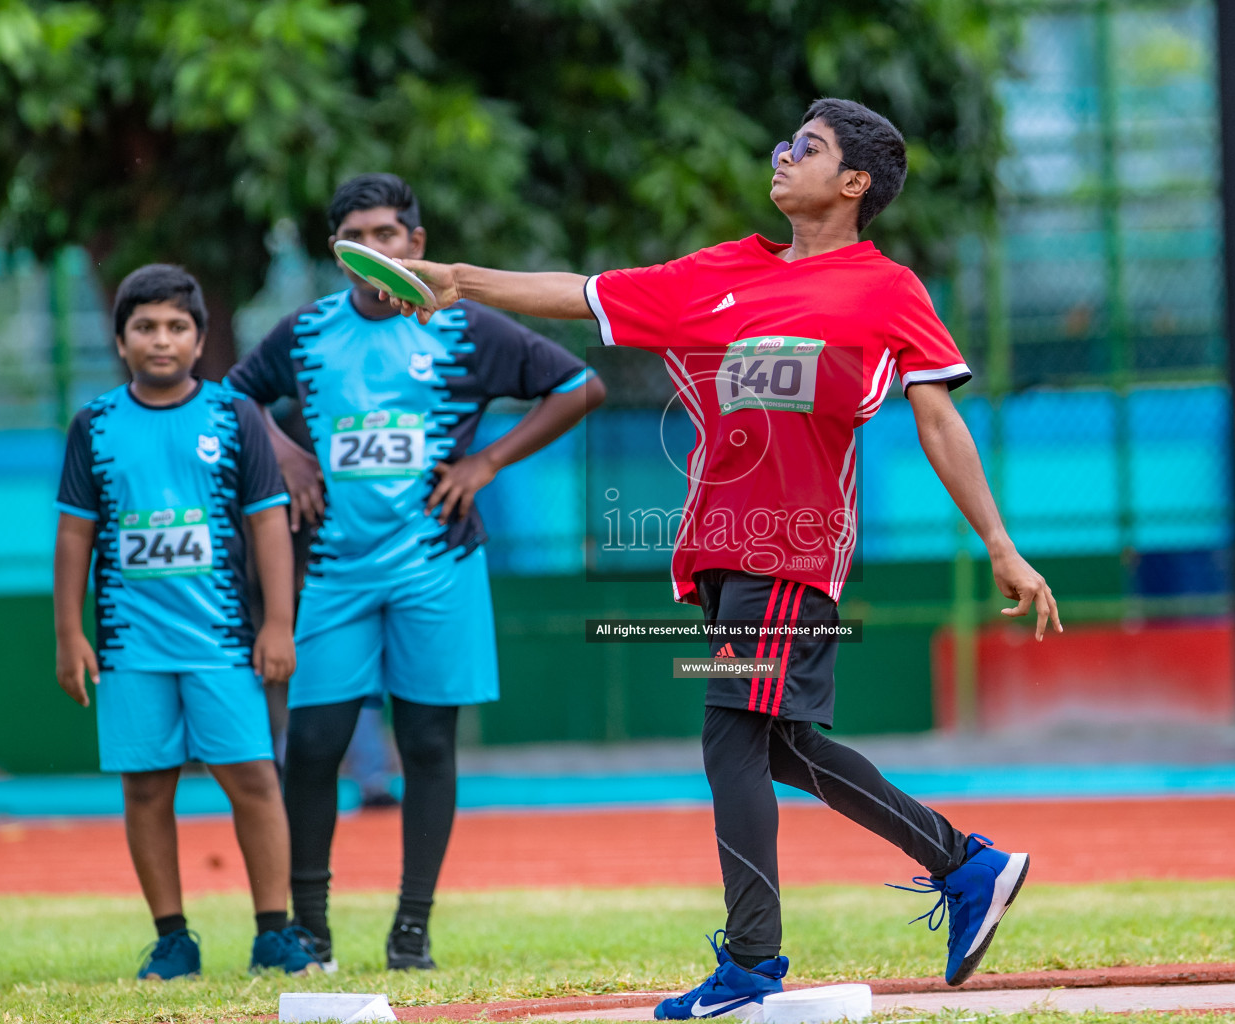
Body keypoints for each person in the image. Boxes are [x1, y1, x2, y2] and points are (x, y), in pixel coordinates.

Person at [387, 98, 1063, 1017]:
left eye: (808, 149)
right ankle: (964, 863)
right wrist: (457, 278)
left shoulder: (887, 289)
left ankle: (752, 966)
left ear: (855, 184)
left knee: (730, 736)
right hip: (718, 555)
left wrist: (1001, 543)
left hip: (791, 551)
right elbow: (581, 294)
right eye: (788, 142)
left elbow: (938, 416)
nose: (782, 156)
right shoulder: (722, 272)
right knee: (783, 744)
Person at [227, 173, 606, 971]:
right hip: (334, 571)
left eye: (389, 234)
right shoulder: (303, 335)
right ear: (338, 253)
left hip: (440, 567)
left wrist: (487, 463)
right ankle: (313, 930)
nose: (375, 249)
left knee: (429, 744)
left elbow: (580, 385)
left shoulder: (465, 327)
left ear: (416, 245)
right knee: (315, 744)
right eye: (357, 237)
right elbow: (233, 401)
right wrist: (289, 453)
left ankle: (413, 930)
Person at [53, 265, 319, 980]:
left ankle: (274, 933)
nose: (160, 339)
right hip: (132, 648)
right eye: (145, 326)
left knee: (255, 780)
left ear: (200, 341)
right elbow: (75, 534)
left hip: (224, 645)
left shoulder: (234, 417)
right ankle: (172, 938)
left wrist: (279, 624)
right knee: (145, 788)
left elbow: (268, 524)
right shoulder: (96, 425)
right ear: (120, 340)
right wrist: (68, 633)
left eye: (176, 326)